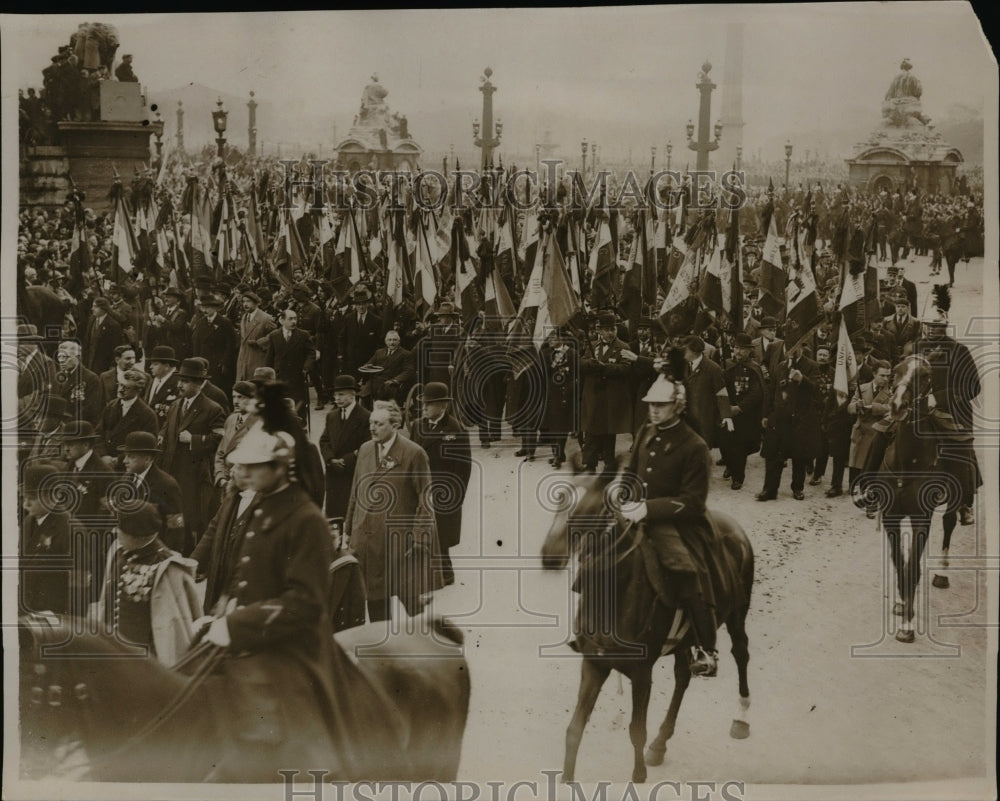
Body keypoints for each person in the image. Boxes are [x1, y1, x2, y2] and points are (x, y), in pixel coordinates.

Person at [193, 427, 342, 781]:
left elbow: (305, 603)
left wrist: (236, 624)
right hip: (251, 631)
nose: (245, 471)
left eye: (255, 465)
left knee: (280, 738)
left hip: (291, 643)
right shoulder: (261, 507)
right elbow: (242, 574)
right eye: (243, 465)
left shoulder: (306, 519)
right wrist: (221, 612)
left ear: (280, 468)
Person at [619, 369, 720, 677]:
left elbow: (693, 502)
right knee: (597, 545)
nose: (653, 409)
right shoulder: (646, 430)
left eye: (660, 405)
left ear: (677, 406)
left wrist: (648, 509)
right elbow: (632, 470)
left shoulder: (694, 446)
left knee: (684, 569)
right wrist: (621, 493)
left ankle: (705, 648)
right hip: (634, 509)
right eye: (651, 404)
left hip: (677, 522)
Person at [344, 406, 438, 621]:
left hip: (399, 541)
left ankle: (421, 637)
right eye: (371, 423)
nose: (372, 428)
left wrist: (419, 538)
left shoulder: (413, 453)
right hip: (367, 539)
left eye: (379, 424)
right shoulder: (365, 449)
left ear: (395, 426)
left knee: (411, 602)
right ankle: (383, 639)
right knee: (375, 600)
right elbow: (355, 491)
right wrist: (348, 530)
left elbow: (425, 499)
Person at [94, 501, 201, 667]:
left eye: (120, 530)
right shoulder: (117, 551)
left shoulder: (168, 568)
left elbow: (177, 624)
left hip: (147, 660)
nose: (115, 532)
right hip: (113, 649)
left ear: (136, 535)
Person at [157, 358, 226, 555]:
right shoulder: (175, 405)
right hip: (171, 470)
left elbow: (219, 439)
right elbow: (165, 432)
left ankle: (190, 556)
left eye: (185, 381)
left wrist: (194, 440)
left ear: (199, 383)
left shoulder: (212, 408)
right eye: (180, 380)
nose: (180, 385)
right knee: (171, 514)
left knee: (191, 519)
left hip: (193, 475)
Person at [410, 382, 471, 587]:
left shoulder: (455, 429)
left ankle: (446, 573)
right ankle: (427, 572)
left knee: (442, 533)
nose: (424, 407)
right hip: (421, 488)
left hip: (443, 491)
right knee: (421, 529)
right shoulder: (417, 426)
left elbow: (463, 468)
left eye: (429, 404)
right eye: (424, 403)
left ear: (443, 405)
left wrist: (456, 496)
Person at [758, 343, 822, 501]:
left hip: (800, 419)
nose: (792, 351)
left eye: (796, 347)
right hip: (779, 418)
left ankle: (797, 488)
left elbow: (817, 390)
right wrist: (766, 414)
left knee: (799, 456)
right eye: (789, 347)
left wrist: (802, 380)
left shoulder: (811, 366)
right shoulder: (781, 366)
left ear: (802, 347)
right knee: (773, 455)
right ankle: (769, 490)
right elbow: (772, 391)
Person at [20, 462, 86, 616]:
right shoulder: (28, 522)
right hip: (26, 608)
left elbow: (79, 583)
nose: (25, 504)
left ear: (54, 496)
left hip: (53, 614)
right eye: (25, 497)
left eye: (32, 498)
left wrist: (72, 623)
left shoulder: (72, 530)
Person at [579, 312, 633, 472]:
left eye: (613, 329)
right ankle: (589, 464)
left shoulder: (623, 347)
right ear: (600, 331)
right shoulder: (592, 346)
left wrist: (604, 368)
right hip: (593, 395)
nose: (610, 333)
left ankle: (609, 462)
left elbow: (625, 368)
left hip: (611, 396)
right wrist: (589, 364)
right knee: (591, 431)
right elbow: (581, 363)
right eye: (607, 329)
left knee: (609, 431)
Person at [119, 431, 186, 551]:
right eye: (125, 455)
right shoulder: (125, 480)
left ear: (148, 459)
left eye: (131, 456)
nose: (125, 460)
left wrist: (166, 556)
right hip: (129, 548)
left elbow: (175, 527)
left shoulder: (167, 485)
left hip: (154, 552)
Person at [319, 375, 370, 518]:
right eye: (335, 395)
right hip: (333, 472)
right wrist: (330, 459)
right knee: (334, 516)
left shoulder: (365, 417)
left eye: (341, 394)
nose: (337, 398)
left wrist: (345, 460)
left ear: (352, 395)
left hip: (352, 472)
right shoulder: (331, 416)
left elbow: (367, 446)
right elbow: (324, 440)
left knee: (351, 514)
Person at [718, 334, 765, 491]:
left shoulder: (754, 368)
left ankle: (738, 477)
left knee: (739, 446)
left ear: (749, 351)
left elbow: (756, 393)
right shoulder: (726, 364)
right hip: (726, 411)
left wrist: (739, 407)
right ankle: (730, 465)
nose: (738, 351)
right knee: (725, 443)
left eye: (742, 349)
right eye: (736, 348)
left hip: (745, 415)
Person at [847, 359, 894, 518]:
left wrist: (873, 407)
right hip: (861, 433)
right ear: (874, 374)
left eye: (888, 376)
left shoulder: (892, 392)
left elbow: (892, 409)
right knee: (861, 469)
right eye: (882, 375)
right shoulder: (862, 388)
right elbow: (849, 408)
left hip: (878, 435)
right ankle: (864, 496)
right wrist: (857, 406)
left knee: (873, 471)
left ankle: (871, 503)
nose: (885, 379)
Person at [96, 368, 158, 465]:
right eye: (120, 385)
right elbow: (99, 433)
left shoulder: (147, 415)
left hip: (128, 464)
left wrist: (119, 460)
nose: (121, 390)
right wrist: (103, 455)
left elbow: (147, 446)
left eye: (127, 388)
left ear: (138, 390)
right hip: (105, 462)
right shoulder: (111, 406)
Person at [264, 307, 316, 416]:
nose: (294, 322)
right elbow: (270, 357)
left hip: (297, 376)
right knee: (281, 405)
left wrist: (306, 367)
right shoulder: (274, 335)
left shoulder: (303, 335)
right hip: (280, 376)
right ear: (282, 320)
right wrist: (268, 374)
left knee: (298, 405)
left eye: (295, 318)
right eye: (290, 319)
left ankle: (300, 423)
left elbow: (311, 353)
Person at [681, 335, 727, 451]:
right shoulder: (682, 366)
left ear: (695, 351)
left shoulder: (713, 369)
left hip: (703, 418)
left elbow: (721, 394)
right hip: (685, 418)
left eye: (685, 350)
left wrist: (725, 416)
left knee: (701, 449)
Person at [190, 294, 238, 397]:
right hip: (204, 363)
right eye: (203, 307)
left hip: (218, 365)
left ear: (215, 308)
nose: (205, 310)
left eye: (208, 307)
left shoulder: (224, 322)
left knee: (217, 390)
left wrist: (224, 363)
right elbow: (196, 344)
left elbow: (230, 345)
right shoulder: (201, 322)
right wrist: (196, 361)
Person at [213, 381, 258, 491]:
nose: (236, 402)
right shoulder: (231, 420)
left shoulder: (258, 424)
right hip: (226, 484)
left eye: (241, 397)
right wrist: (221, 478)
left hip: (247, 486)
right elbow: (220, 453)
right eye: (234, 397)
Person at [361, 329, 416, 407]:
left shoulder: (406, 354)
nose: (392, 342)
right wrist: (367, 366)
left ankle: (382, 409)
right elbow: (369, 363)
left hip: (391, 382)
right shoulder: (379, 352)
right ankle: (368, 411)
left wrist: (395, 380)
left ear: (399, 341)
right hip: (375, 380)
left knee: (383, 390)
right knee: (364, 393)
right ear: (385, 341)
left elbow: (408, 371)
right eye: (389, 340)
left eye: (394, 340)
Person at [338, 285, 382, 378]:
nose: (361, 307)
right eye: (358, 304)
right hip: (351, 361)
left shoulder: (376, 320)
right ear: (355, 305)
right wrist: (341, 355)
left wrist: (373, 360)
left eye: (363, 304)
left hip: (368, 362)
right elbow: (342, 338)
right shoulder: (348, 318)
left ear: (367, 304)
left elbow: (378, 343)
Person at [235, 290, 276, 382]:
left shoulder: (266, 318)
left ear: (256, 303)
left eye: (248, 301)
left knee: (254, 384)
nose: (245, 304)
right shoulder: (244, 317)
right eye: (244, 301)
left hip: (257, 358)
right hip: (243, 359)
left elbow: (274, 335)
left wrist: (259, 343)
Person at [83, 296, 125, 372]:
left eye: (95, 306)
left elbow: (116, 347)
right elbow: (87, 341)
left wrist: (113, 364)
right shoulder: (91, 320)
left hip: (104, 364)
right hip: (89, 361)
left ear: (103, 308)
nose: (92, 309)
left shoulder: (113, 325)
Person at [144, 345, 181, 421]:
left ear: (166, 366)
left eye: (155, 364)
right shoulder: (153, 380)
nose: (150, 367)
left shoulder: (178, 383)